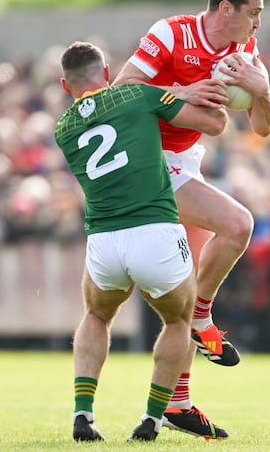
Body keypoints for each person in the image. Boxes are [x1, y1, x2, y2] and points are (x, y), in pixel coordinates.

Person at [113, 0, 270, 435]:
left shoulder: (244, 48)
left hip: (184, 165)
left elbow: (263, 127)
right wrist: (179, 91)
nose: (258, 22)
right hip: (145, 161)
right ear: (226, 8)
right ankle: (204, 319)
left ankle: (177, 403)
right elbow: (118, 94)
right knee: (239, 225)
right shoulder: (171, 33)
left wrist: (262, 92)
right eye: (254, 11)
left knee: (183, 297)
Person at [54, 41, 228, 442]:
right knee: (179, 321)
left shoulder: (63, 128)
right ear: (108, 71)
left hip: (103, 239)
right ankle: (151, 419)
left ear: (66, 85)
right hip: (155, 231)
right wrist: (193, 91)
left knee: (97, 317)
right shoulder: (137, 93)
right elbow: (210, 122)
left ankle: (83, 413)